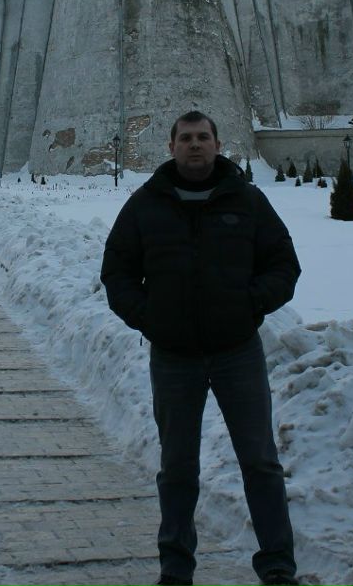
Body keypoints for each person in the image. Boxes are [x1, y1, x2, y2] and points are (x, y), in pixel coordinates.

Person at [101, 111, 301, 586]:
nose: (195, 146)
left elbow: (283, 265)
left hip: (237, 351)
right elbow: (117, 272)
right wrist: (151, 319)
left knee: (260, 461)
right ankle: (176, 567)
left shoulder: (248, 202)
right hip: (174, 357)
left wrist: (248, 306)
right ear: (171, 146)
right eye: (186, 138)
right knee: (177, 467)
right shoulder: (145, 205)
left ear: (218, 143)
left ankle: (277, 565)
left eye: (203, 138)